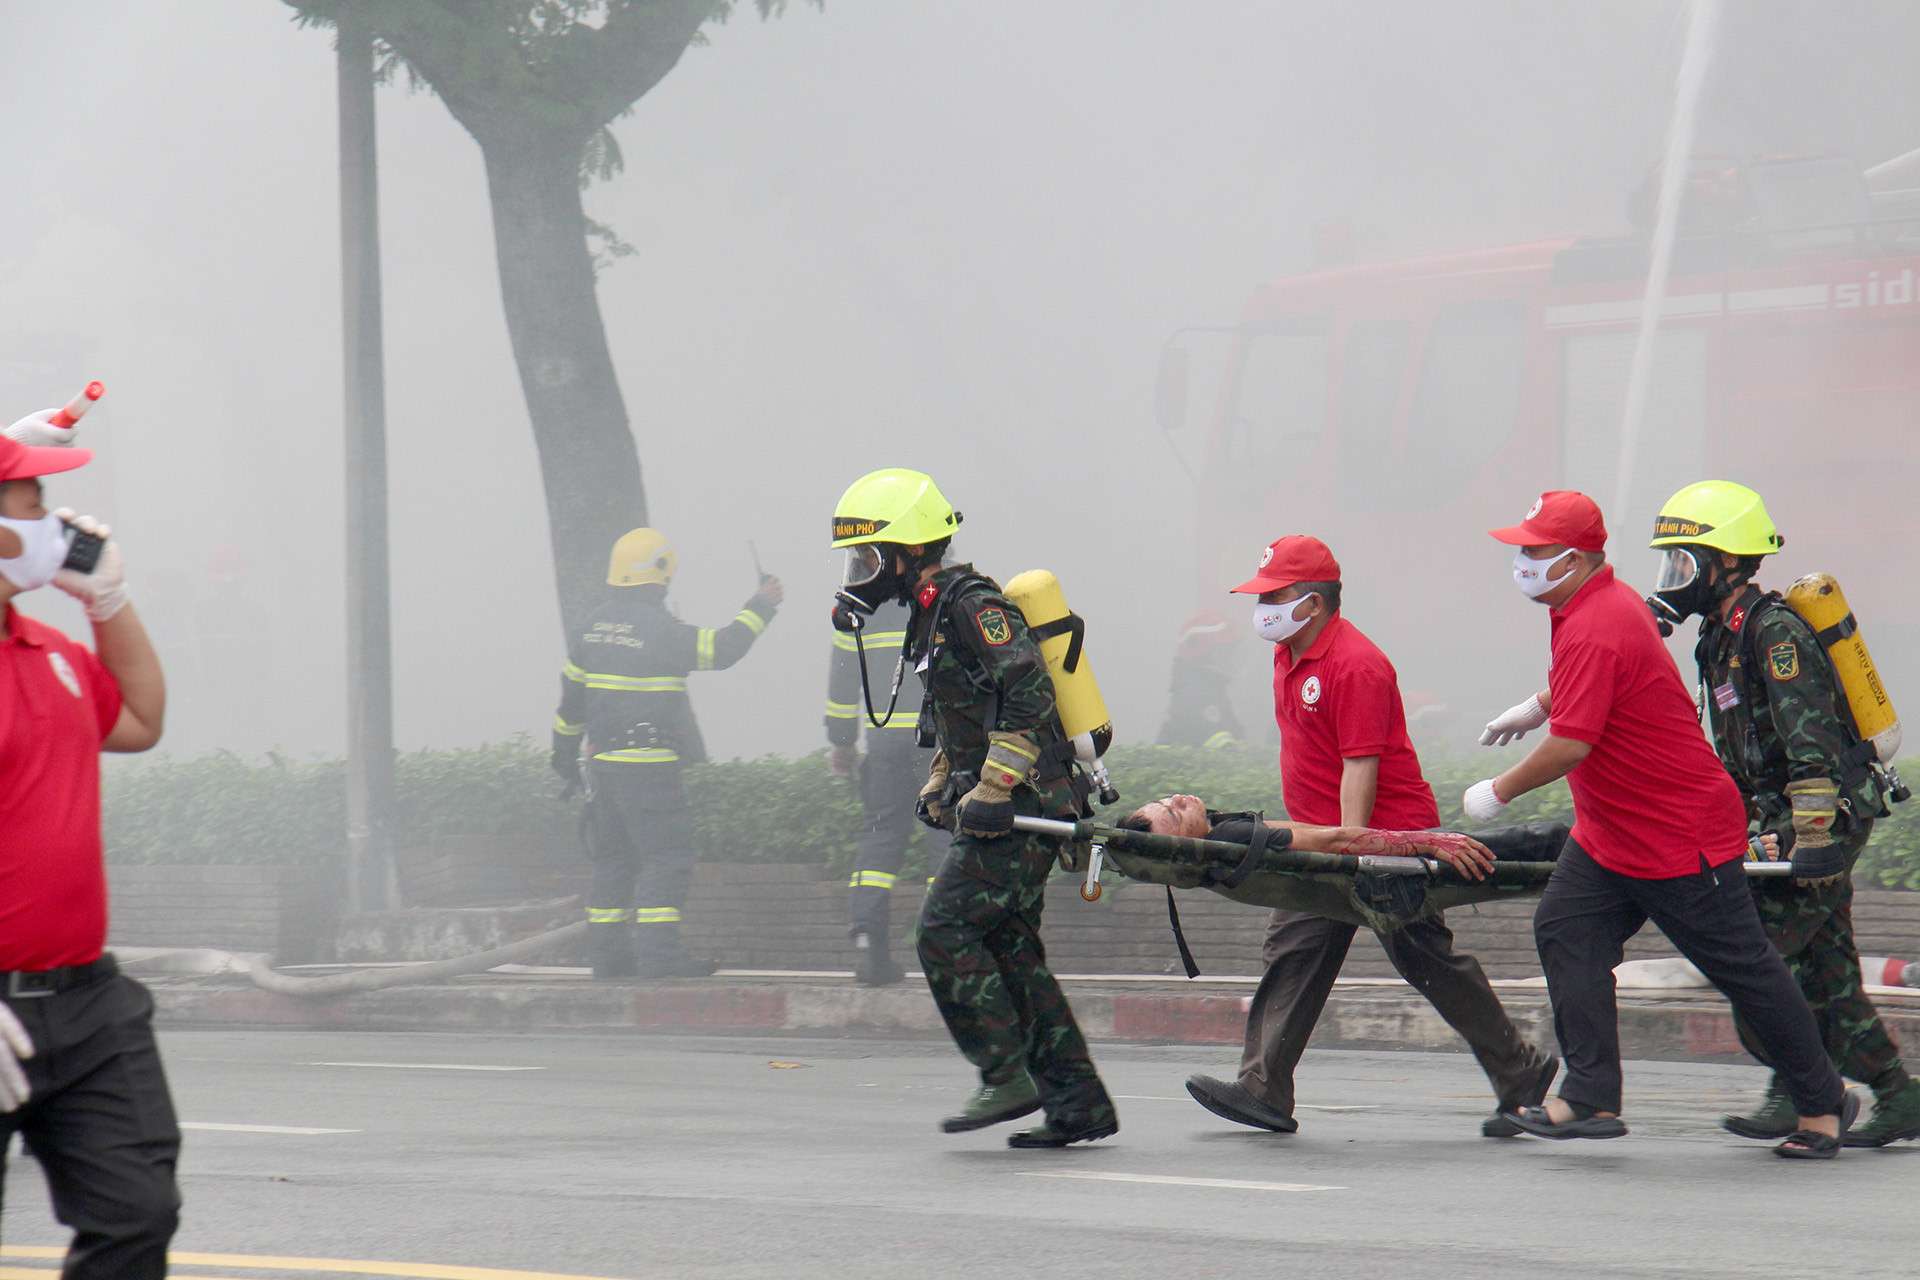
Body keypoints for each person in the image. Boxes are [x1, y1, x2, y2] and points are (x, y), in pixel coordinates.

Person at [1465, 489, 1857, 1157]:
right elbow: (1591, 681)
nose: (1522, 563)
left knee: (1745, 970)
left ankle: (1824, 1104)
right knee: (1565, 930)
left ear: (1576, 558)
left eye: (1533, 552)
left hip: (1678, 835)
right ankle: (1589, 1093)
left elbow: (1573, 744)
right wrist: (1535, 704)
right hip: (1612, 834)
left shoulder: (1597, 618)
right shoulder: (1590, 608)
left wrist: (1497, 792)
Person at [1184, 536, 1555, 1138]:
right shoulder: (1289, 652)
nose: (1262, 607)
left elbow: (1361, 766)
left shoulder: (1356, 665)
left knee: (1426, 960)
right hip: (1319, 838)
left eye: (1273, 595)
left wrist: (1352, 851)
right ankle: (1263, 1088)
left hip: (1383, 841)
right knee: (1296, 951)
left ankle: (1521, 1074)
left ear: (1311, 601)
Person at [829, 468, 1116, 1147]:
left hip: (1021, 805)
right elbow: (961, 713)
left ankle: (1004, 1074)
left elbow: (1028, 694)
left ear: (910, 550)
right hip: (1007, 804)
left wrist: (991, 790)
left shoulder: (969, 602)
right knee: (1013, 955)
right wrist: (942, 784)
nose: (860, 574)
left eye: (867, 558)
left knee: (942, 931)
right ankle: (1079, 1105)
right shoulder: (931, 611)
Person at [1649, 481, 1920, 1147]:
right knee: (1824, 969)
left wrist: (1813, 836)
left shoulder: (1776, 635)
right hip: (1781, 823)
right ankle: (1895, 1095)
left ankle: (1802, 1089)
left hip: (1820, 820)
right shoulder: (1719, 637)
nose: (1674, 581)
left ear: (1727, 563)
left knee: (1756, 961)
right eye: (1671, 566)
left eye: (1684, 565)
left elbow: (1812, 748)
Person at [0, 424, 179, 1276]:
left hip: (85, 1004)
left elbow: (139, 722)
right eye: (27, 501)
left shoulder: (49, 650)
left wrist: (108, 604)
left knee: (137, 1212)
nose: (48, 518)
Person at [551, 528, 781, 979]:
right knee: (667, 857)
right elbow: (723, 649)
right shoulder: (662, 630)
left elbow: (570, 706)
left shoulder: (589, 629)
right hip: (648, 768)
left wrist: (563, 760)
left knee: (614, 859)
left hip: (604, 769)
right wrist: (762, 604)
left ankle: (608, 957)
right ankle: (660, 956)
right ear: (657, 576)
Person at [824, 543, 950, 986]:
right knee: (944, 835)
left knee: (879, 838)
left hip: (882, 747)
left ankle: (867, 944)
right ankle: (947, 945)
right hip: (936, 743)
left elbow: (842, 682)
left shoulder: (858, 606)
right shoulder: (948, 594)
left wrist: (841, 742)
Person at [1154, 609, 1246, 748]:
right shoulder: (1194, 696)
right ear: (1200, 654)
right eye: (1224, 653)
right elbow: (1224, 752)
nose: (1230, 660)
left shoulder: (1212, 692)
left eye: (1231, 652)